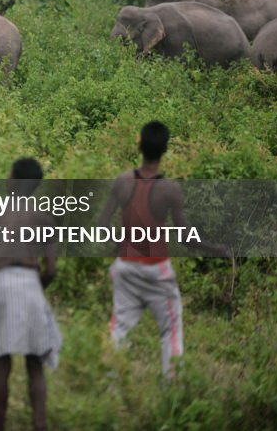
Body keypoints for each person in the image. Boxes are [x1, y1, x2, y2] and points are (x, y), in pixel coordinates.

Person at [96, 121, 229, 381]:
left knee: (120, 328)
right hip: (157, 270)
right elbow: (187, 238)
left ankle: (112, 386)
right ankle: (173, 389)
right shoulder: (170, 190)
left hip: (125, 266)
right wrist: (215, 248)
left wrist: (118, 245)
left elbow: (101, 224)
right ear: (165, 149)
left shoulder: (123, 182)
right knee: (170, 329)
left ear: (139, 145)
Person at [0, 158, 61, 431]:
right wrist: (36, 290)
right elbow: (52, 270)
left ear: (12, 180)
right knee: (35, 364)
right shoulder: (43, 217)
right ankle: (39, 425)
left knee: (2, 362)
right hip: (31, 283)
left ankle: (0, 427)